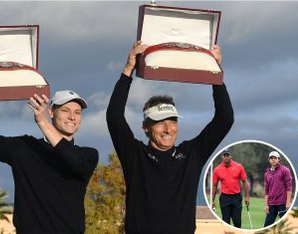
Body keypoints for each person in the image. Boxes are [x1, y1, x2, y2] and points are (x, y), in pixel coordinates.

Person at [0, 67, 98, 234]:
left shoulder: (88, 155)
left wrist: (43, 123)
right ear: (51, 112)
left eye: (77, 112)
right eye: (65, 110)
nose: (72, 117)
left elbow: (72, 160)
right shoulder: (24, 147)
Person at [106, 41, 234, 233]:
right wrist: (128, 68)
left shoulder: (192, 154)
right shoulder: (135, 155)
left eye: (173, 121)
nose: (168, 129)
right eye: (160, 122)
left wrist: (215, 71)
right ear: (146, 127)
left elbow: (225, 119)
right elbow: (114, 116)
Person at [212, 149, 250, 228]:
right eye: (224, 155)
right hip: (224, 198)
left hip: (236, 197)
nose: (226, 157)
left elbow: (244, 182)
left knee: (237, 222)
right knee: (226, 222)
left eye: (227, 155)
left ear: (230, 156)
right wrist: (212, 200)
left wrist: (246, 197)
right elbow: (215, 185)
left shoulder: (238, 166)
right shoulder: (217, 169)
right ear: (222, 157)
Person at [263, 150, 292, 227]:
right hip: (271, 204)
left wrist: (288, 202)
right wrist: (266, 205)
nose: (273, 159)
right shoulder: (267, 173)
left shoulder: (285, 170)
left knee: (286, 226)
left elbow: (289, 187)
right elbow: (266, 191)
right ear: (269, 160)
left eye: (275, 158)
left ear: (279, 159)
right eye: (271, 158)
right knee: (267, 226)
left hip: (282, 203)